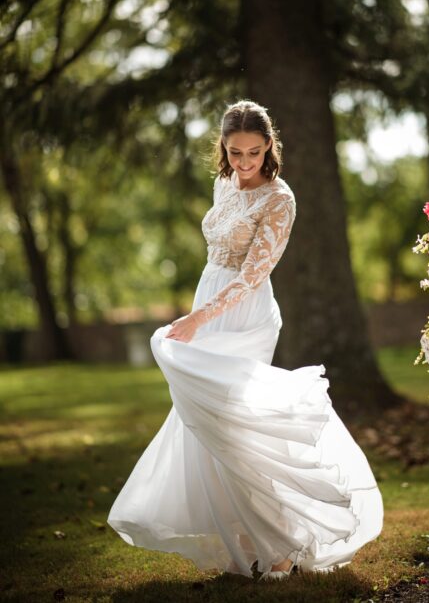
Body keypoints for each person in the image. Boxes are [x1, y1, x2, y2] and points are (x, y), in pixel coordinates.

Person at [108, 100, 383, 581]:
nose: (245, 163)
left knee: (236, 423)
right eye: (235, 153)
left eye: (254, 152)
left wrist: (197, 320)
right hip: (208, 291)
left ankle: (279, 544)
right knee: (205, 420)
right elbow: (219, 250)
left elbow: (254, 275)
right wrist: (199, 311)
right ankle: (243, 542)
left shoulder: (280, 199)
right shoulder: (224, 182)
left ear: (268, 146)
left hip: (244, 312)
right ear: (224, 148)